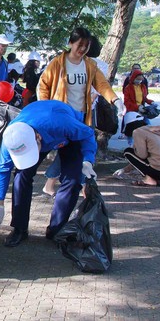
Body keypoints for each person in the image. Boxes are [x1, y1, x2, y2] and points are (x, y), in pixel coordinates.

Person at [0, 100, 98, 247]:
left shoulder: (61, 123)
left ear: (38, 139)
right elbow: (3, 171)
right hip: (37, 125)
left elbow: (88, 134)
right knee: (21, 176)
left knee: (72, 180)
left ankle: (57, 229)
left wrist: (88, 160)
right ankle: (19, 228)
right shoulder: (11, 138)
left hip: (67, 135)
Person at [37, 28, 124, 197]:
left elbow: (102, 85)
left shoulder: (90, 65)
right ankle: (78, 187)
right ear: (70, 43)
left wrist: (115, 100)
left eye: (86, 45)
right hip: (61, 117)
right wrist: (45, 109)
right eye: (80, 44)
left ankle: (76, 187)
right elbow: (43, 85)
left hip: (82, 116)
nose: (83, 48)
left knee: (77, 149)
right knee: (70, 149)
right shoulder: (58, 63)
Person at [113, 112, 160, 187]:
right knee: (150, 157)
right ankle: (158, 180)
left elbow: (142, 156)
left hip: (159, 171)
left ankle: (149, 180)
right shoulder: (154, 131)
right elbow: (142, 161)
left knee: (128, 152)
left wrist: (134, 149)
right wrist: (124, 169)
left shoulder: (138, 131)